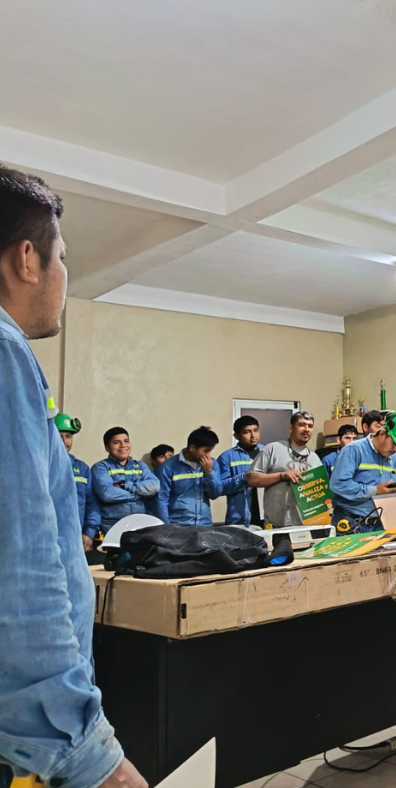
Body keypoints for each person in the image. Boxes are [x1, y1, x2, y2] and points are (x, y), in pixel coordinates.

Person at [0, 165, 145, 787]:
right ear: (26, 259)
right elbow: (21, 570)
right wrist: (83, 753)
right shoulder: (4, 349)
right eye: (62, 257)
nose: (63, 275)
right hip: (29, 742)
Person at [328, 411, 396, 533]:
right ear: (382, 433)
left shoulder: (394, 458)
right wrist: (375, 491)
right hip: (351, 523)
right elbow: (338, 484)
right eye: (394, 444)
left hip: (381, 524)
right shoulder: (354, 450)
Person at [246, 411, 321, 528]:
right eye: (302, 425)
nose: (306, 429)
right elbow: (251, 479)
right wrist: (282, 476)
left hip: (307, 525)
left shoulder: (314, 458)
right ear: (291, 427)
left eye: (310, 426)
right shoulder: (273, 449)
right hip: (277, 525)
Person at [91, 427, 161, 538]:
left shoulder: (140, 466)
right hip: (112, 527)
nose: (123, 445)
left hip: (140, 526)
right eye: (116, 442)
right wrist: (140, 493)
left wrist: (124, 486)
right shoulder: (101, 467)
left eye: (126, 441)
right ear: (107, 447)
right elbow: (107, 494)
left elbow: (155, 486)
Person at [157, 426, 222, 526]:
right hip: (178, 526)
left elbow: (215, 494)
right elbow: (161, 499)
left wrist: (209, 473)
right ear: (192, 448)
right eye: (206, 451)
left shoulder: (211, 464)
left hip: (204, 525)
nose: (209, 455)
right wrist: (166, 527)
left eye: (210, 451)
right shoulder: (168, 467)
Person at [55, 413, 100, 549]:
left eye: (68, 436)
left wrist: (89, 533)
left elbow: (92, 503)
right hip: (47, 538)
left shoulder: (82, 468)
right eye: (59, 436)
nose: (64, 441)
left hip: (75, 538)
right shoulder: (40, 466)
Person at [217, 415, 263, 526]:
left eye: (255, 430)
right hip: (239, 519)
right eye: (246, 432)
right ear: (236, 436)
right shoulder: (227, 457)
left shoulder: (268, 452)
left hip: (267, 516)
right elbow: (220, 488)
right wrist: (244, 477)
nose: (253, 436)